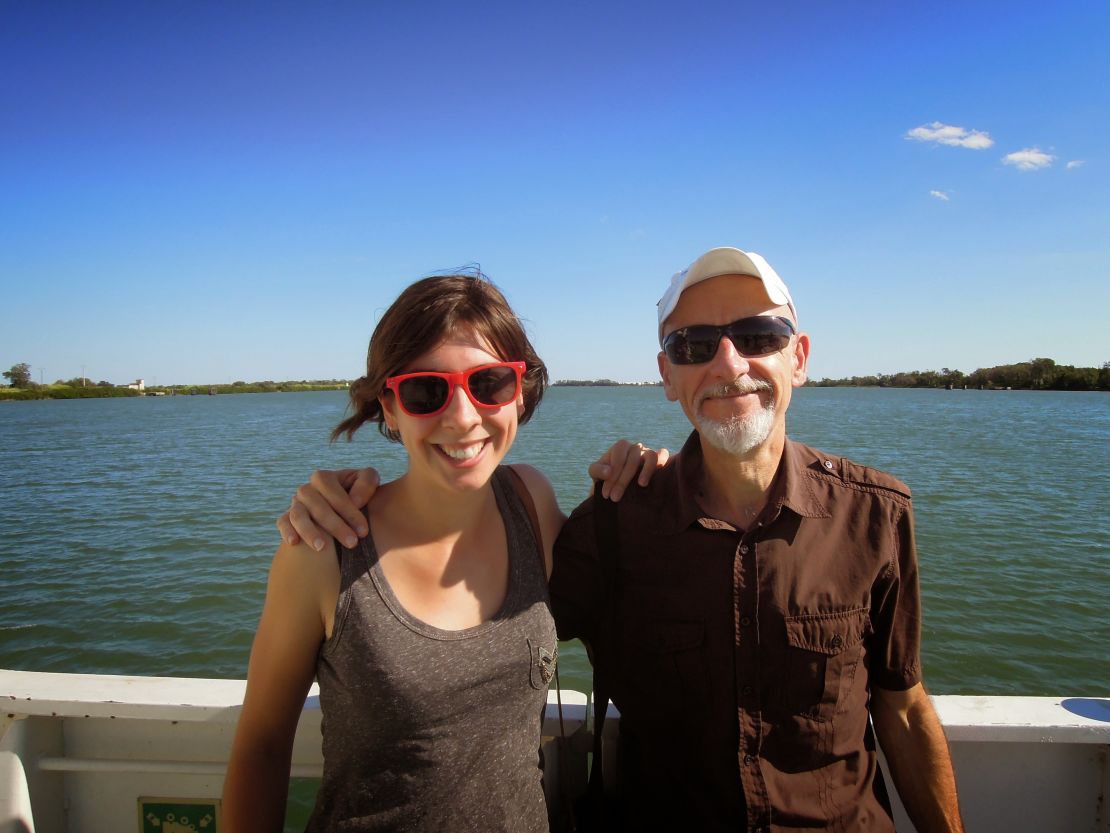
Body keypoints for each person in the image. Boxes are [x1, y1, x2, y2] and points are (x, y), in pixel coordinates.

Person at [281, 247, 965, 833]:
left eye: (758, 336)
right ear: (667, 376)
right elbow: (482, 618)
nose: (729, 363)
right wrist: (354, 508)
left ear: (800, 357)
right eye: (695, 346)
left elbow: (902, 708)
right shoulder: (615, 521)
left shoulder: (875, 514)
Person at [223, 272, 660, 833]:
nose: (462, 417)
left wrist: (656, 475)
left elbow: (629, 594)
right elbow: (261, 746)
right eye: (427, 391)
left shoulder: (532, 503)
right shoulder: (325, 549)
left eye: (490, 383)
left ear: (520, 391)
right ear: (388, 403)